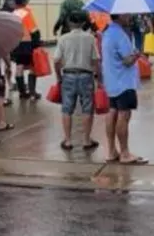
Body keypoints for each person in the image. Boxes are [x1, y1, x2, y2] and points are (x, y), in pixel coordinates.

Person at [101, 14, 147, 164]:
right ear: (120, 15)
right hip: (124, 82)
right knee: (124, 115)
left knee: (112, 112)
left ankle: (111, 150)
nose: (129, 16)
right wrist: (137, 53)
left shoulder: (107, 32)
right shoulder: (120, 35)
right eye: (127, 14)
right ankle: (125, 153)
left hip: (112, 80)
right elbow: (127, 61)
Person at [54, 11, 101, 152]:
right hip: (86, 76)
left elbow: (56, 60)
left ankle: (68, 141)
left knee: (67, 108)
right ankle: (86, 140)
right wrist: (98, 76)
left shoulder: (63, 39)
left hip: (68, 75)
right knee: (87, 108)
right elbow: (95, 60)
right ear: (83, 23)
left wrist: (58, 77)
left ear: (69, 23)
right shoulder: (90, 38)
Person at [11, 0, 42, 101]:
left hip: (16, 44)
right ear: (23, 3)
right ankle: (33, 93)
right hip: (27, 43)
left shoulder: (12, 15)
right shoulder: (27, 13)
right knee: (32, 67)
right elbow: (33, 30)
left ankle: (22, 92)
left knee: (19, 67)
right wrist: (37, 45)